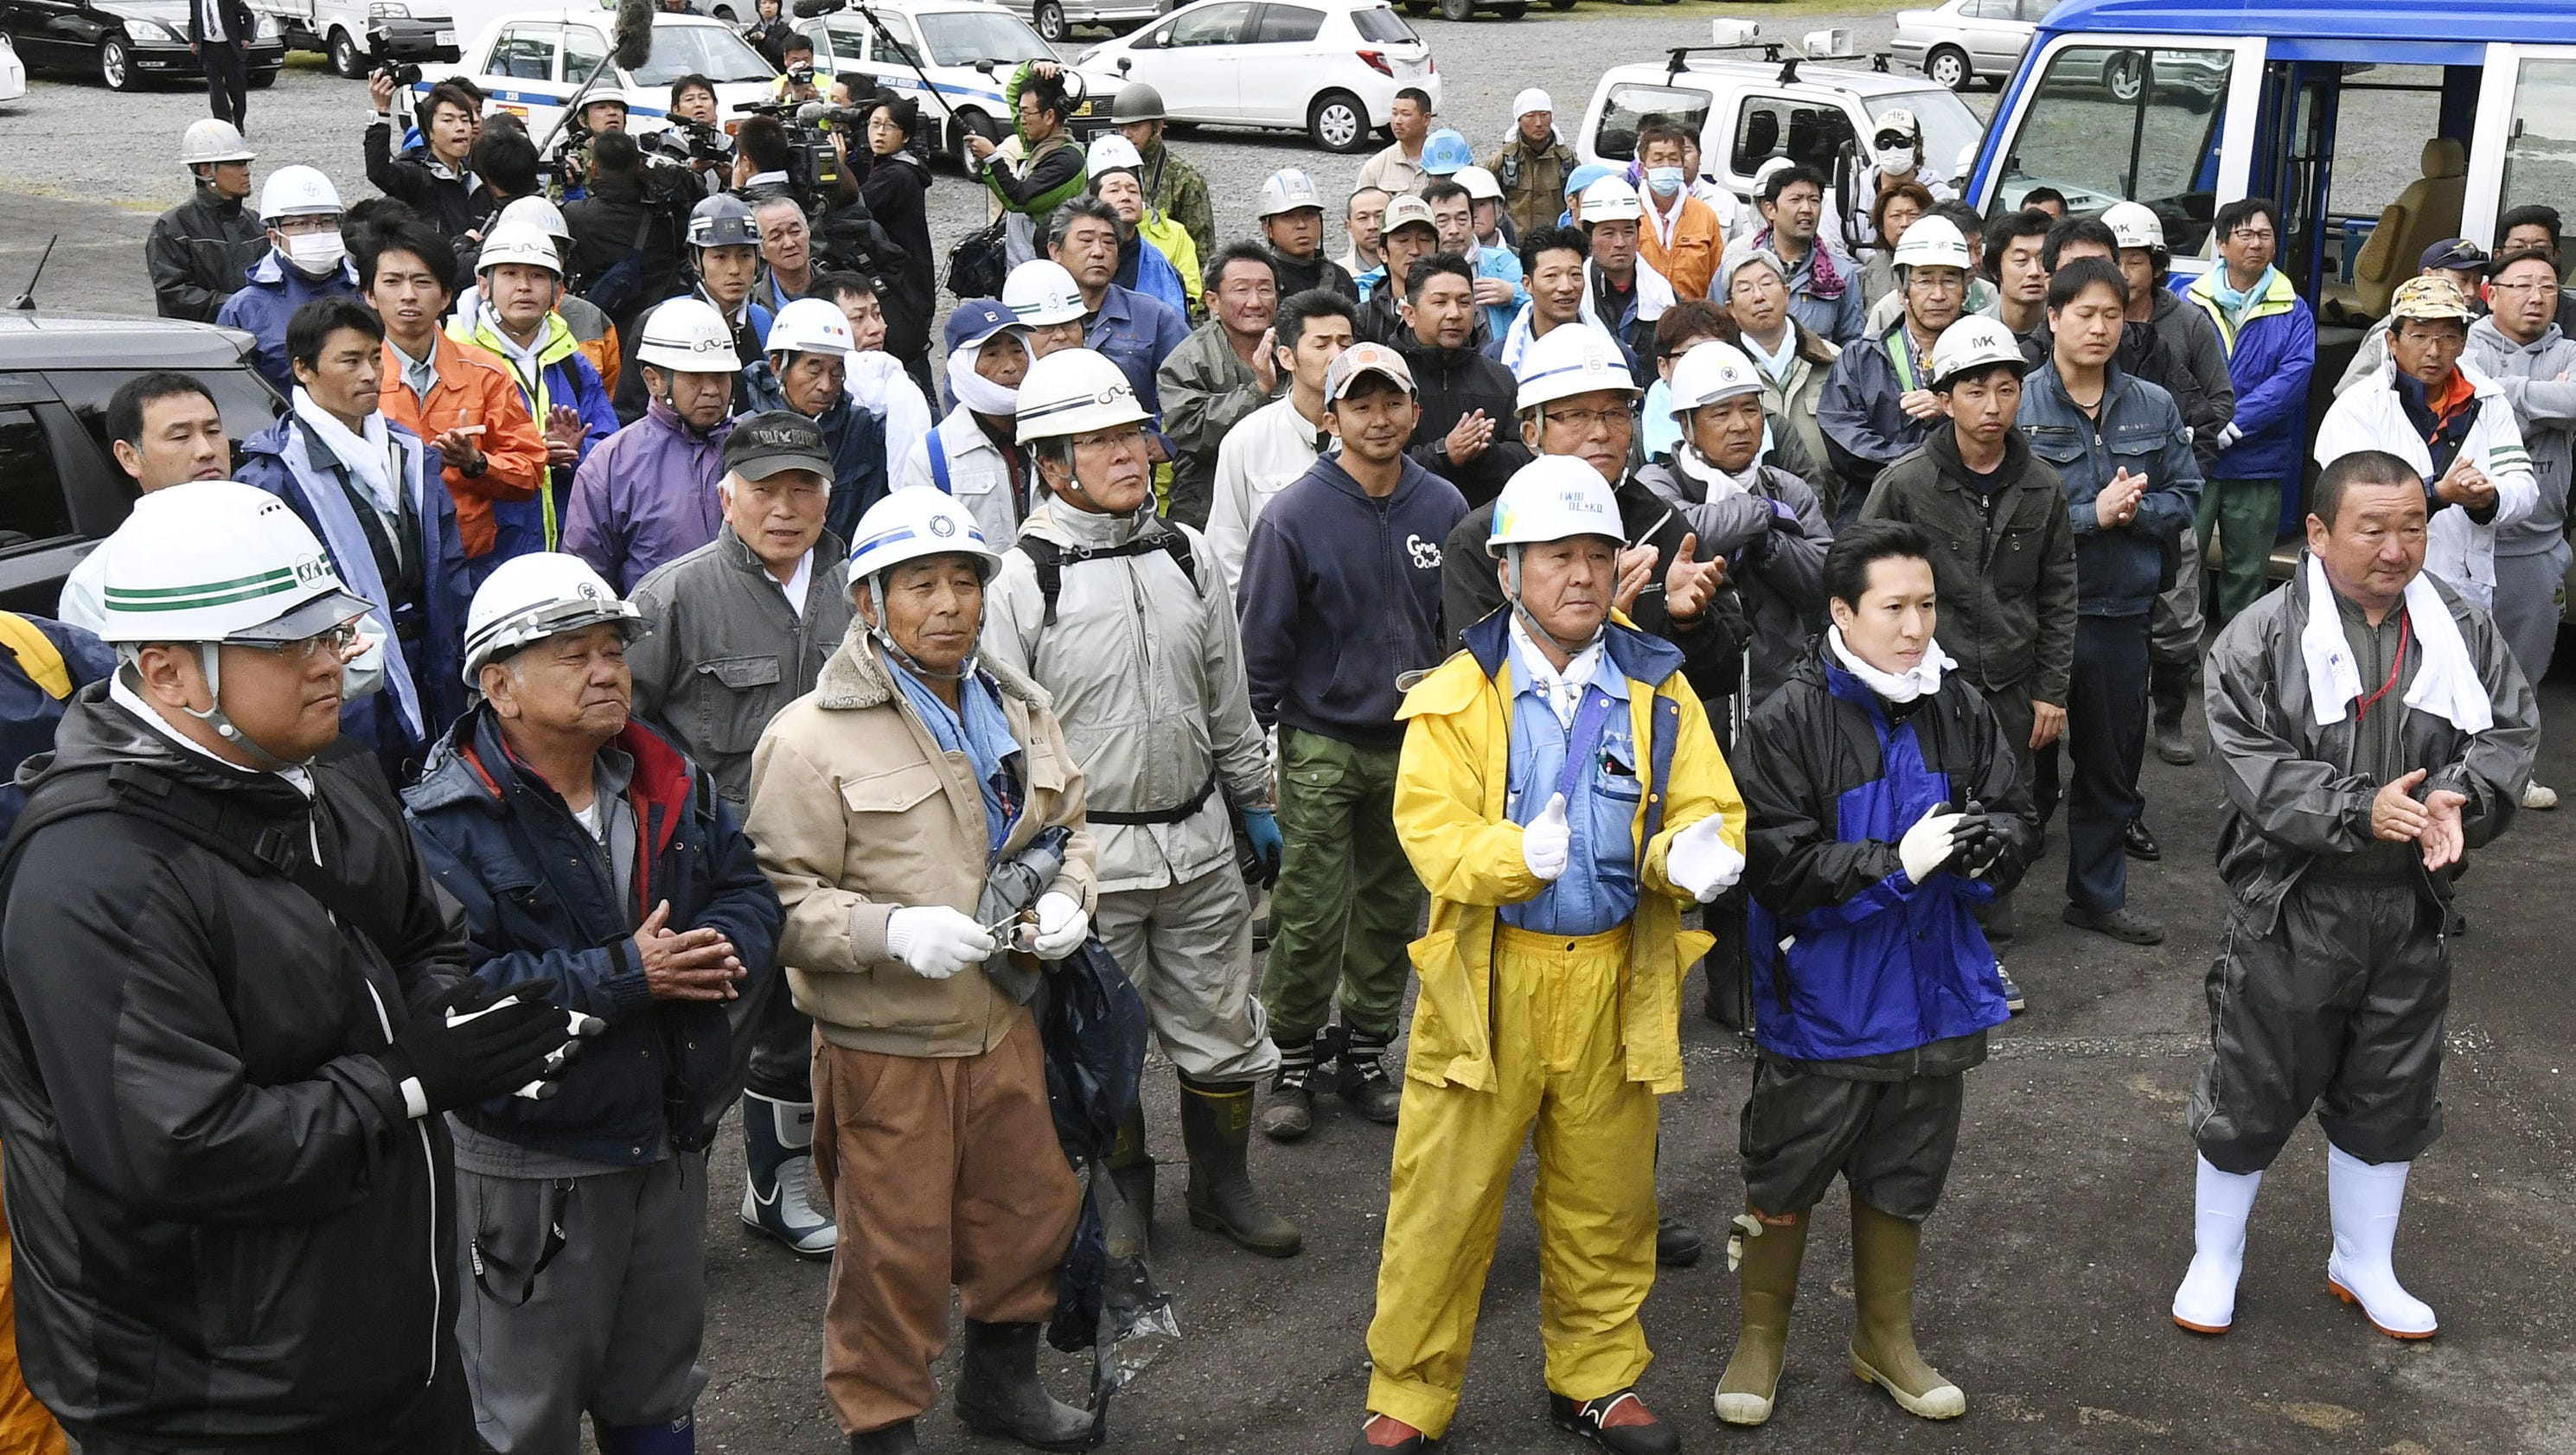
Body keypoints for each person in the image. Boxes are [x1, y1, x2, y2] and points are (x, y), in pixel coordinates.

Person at [0, 481, 574, 1454]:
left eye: (332, 629)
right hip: (214, 1397)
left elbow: (421, 938)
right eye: (286, 642)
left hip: (385, 1346)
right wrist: (410, 1080)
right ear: (168, 671)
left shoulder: (326, 771)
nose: (332, 661)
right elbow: (180, 1147)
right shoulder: (91, 874)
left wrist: (465, 1031)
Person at [1348, 457, 1745, 1455]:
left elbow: (1707, 803)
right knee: (1443, 1200)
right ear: (1507, 569)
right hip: (1489, 981)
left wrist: (1685, 854)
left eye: (1598, 556)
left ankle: (1597, 1380)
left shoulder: (1658, 685)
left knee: (1607, 1200)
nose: (1580, 575)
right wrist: (1509, 857)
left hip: (1616, 974)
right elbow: (1429, 827)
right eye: (1556, 556)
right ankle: (1409, 1394)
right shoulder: (1457, 693)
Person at [746, 485, 1097, 1454]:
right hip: (885, 1046)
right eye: (918, 585)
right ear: (868, 602)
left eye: (963, 582)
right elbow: (773, 902)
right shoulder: (807, 738)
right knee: (890, 1250)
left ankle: (1000, 1385)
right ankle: (881, 1425)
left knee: (1026, 1215)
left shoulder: (1017, 705)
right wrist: (889, 931)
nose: (948, 605)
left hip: (1004, 1019)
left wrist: (1072, 899)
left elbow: (1068, 828)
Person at [404, 552, 779, 1454]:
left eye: (612, 650)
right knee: (521, 1412)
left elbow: (748, 890)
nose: (607, 670)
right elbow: (453, 998)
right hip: (531, 1165)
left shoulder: (667, 776)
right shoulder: (440, 823)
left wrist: (711, 950)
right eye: (573, 655)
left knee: (657, 1389)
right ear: (499, 685)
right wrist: (628, 974)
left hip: (666, 1137)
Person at [2176, 450, 2535, 1343]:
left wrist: (2460, 798)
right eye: (2371, 528)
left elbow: (2507, 730)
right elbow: (2250, 765)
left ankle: (2362, 1261)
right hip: (2292, 901)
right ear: (2317, 532)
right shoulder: (2259, 636)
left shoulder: (2456, 622)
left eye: (2412, 526)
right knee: (2253, 1083)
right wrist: (2354, 808)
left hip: (2409, 903)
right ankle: (2215, 1256)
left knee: (2391, 1089)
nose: (2395, 548)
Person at [981, 348, 1299, 1260]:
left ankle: (1222, 1187)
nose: (1132, 454)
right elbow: (1006, 749)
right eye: (1102, 441)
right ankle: (1120, 1199)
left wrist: (1255, 799)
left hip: (1199, 843)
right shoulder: (1019, 580)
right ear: (1050, 464)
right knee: (1099, 1039)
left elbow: (1226, 697)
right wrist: (1027, 867)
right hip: (1090, 863)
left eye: (1133, 434)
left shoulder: (1186, 555)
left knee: (1222, 1022)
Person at [1718, 519, 2036, 1428]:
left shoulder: (1958, 703)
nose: (1914, 627)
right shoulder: (1787, 719)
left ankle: (1884, 1337)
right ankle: (1759, 1341)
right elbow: (1775, 867)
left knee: (1906, 1174)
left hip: (1933, 999)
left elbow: (2015, 810)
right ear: (1841, 611)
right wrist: (1895, 862)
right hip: (1826, 1004)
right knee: (1784, 1173)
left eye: (1926, 605)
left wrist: (1994, 848)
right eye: (1893, 607)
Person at [625, 413, 849, 1260]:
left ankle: (775, 1194)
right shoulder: (673, 597)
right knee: (702, 1046)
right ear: (727, 498)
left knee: (794, 1037)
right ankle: (655, 1224)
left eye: (802, 489)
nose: (783, 508)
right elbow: (621, 726)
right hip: (718, 873)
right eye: (764, 490)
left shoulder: (858, 588)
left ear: (827, 497)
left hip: (830, 865)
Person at [1239, 343, 1467, 1142]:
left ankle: (1366, 1051)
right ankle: (1291, 1058)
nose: (1378, 419)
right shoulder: (1292, 515)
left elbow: (1464, 630)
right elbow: (1261, 645)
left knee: (1391, 905)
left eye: (1392, 402)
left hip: (1415, 742)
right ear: (1330, 417)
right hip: (1320, 742)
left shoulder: (1443, 504)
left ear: (1414, 411)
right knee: (1306, 907)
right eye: (1360, 405)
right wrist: (1250, 772)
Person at [1858, 315, 2073, 964]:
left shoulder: (2042, 485)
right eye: (1975, 391)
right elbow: (1860, 583)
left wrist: (2051, 691)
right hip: (1920, 686)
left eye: (2006, 389)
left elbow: (2058, 591)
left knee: (2000, 818)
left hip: (2009, 685)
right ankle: (1910, 945)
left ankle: (1985, 953)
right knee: (1914, 810)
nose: (1992, 406)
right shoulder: (1904, 484)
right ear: (1945, 399)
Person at [2018, 258, 2202, 946]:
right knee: (2018, 765)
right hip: (2037, 618)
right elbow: (2010, 518)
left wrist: (2134, 512)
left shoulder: (2153, 404)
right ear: (2053, 318)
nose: (2099, 328)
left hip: (2121, 615)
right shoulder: (2020, 405)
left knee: (2109, 764)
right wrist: (2091, 515)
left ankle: (2096, 896)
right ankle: (1993, 904)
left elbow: (2185, 495)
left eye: (2112, 315)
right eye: (2084, 314)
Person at [236, 296, 472, 783]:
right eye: (350, 361)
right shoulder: (275, 476)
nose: (370, 374)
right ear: (303, 369)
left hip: (430, 658)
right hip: (346, 678)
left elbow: (450, 569)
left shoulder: (409, 453)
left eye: (374, 358)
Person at [2315, 275, 2534, 617]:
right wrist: (2437, 494)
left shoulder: (2489, 400)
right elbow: (2349, 504)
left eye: (2447, 337)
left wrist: (2489, 497)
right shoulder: (2359, 406)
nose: (2434, 351)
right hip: (2375, 584)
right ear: (2392, 341)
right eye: (2419, 336)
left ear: (2463, 343)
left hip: (2462, 589)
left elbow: (2524, 487)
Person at [1636, 339, 1831, 702]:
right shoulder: (1657, 482)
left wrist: (1768, 543)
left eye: (1750, 410)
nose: (1740, 425)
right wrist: (1762, 512)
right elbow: (1683, 529)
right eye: (1721, 414)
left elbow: (1825, 576)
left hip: (1784, 689)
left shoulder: (1784, 486)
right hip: (1693, 693)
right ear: (1687, 425)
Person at [361, 221, 547, 578]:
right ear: (370, 294)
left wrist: (475, 463)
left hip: (471, 563)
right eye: (392, 282)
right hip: (389, 568)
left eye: (422, 282)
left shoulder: (485, 372)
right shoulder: (356, 377)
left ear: (446, 296)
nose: (408, 295)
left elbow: (529, 472)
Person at [2467, 246, 2576, 809]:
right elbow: (2470, 404)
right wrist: (2542, 399)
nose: (2536, 297)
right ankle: (2450, 773)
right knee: (2456, 664)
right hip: (2472, 541)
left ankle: (2512, 776)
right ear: (2492, 294)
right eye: (2523, 285)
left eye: (2548, 287)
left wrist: (2504, 393)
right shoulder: (2466, 346)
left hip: (2537, 545)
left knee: (2523, 672)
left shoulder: (2571, 351)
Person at [2179, 197, 2317, 629]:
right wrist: (2206, 423)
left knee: (2247, 571)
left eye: (2264, 235)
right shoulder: (2188, 301)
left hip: (2257, 461)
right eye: (2244, 234)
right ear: (2221, 244)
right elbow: (2175, 369)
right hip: (2194, 458)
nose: (2255, 243)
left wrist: (2237, 422)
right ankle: (2181, 655)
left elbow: (2293, 378)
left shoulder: (2293, 309)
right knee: (2183, 565)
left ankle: (2242, 653)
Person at [449, 220, 621, 561]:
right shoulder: (458, 364)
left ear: (558, 291)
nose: (524, 286)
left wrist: (576, 452)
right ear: (484, 285)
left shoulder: (574, 365)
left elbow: (612, 451)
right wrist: (531, 456)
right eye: (510, 274)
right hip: (488, 560)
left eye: (538, 276)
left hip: (571, 553)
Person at [567, 297, 743, 591]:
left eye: (720, 376)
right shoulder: (612, 463)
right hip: (653, 620)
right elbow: (588, 577)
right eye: (695, 376)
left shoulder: (754, 447)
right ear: (654, 381)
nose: (712, 390)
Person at [1819, 215, 1974, 527]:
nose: (1938, 294)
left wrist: (1952, 410)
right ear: (1902, 291)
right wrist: (1929, 463)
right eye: (1925, 280)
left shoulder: (1986, 355)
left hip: (1962, 524)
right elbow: (1847, 447)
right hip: (1875, 524)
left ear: (1965, 288)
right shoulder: (1859, 359)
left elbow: (2004, 433)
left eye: (1950, 280)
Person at [59, 372, 234, 633]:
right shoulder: (97, 585)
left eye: (213, 431)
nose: (206, 450)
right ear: (129, 456)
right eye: (181, 437)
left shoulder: (279, 533)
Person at [1206, 287, 1355, 592]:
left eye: (1345, 344)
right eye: (1321, 345)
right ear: (1287, 357)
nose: (1337, 356)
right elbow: (1227, 549)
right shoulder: (1247, 439)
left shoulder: (1369, 434)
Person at [1160, 244, 1285, 529]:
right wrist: (1258, 391)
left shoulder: (1293, 349)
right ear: (1213, 301)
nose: (1255, 302)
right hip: (1208, 505)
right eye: (1241, 290)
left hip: (1286, 497)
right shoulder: (1187, 360)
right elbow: (1193, 432)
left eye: (1265, 290)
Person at [621, 194, 773, 420]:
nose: (734, 269)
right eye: (720, 257)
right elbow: (630, 414)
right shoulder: (661, 322)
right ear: (695, 260)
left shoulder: (762, 321)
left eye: (744, 255)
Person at [750, 298, 889, 545]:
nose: (826, 385)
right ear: (777, 366)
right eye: (814, 371)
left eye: (836, 372)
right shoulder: (746, 435)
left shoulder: (865, 430)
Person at [898, 301, 1038, 548]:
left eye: (1017, 351)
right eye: (992, 354)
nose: (1009, 366)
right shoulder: (933, 455)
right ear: (964, 365)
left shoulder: (1054, 431)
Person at [1396, 254, 1529, 508]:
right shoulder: (1389, 378)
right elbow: (1376, 461)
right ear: (1410, 314)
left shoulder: (1499, 379)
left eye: (1464, 302)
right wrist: (1444, 453)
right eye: (1440, 302)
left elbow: (1526, 456)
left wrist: (1484, 451)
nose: (1455, 314)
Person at [216, 164, 361, 397]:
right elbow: (232, 391)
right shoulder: (244, 308)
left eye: (327, 221)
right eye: (301, 223)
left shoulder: (365, 291)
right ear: (274, 236)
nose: (317, 232)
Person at [1721, 248, 1842, 507]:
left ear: (1787, 292)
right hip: (1753, 508)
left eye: (1767, 284)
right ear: (1730, 308)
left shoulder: (1833, 360)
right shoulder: (1723, 374)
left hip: (1834, 504)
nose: (1759, 296)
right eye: (1745, 289)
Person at [848, 91, 936, 383]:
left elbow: (853, 207)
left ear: (906, 136)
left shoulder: (897, 176)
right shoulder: (893, 166)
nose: (880, 132)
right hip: (908, 284)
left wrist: (839, 166)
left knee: (908, 366)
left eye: (890, 126)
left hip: (904, 288)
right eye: (875, 124)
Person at [2336, 239, 2493, 398]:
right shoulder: (2397, 328)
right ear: (2428, 276)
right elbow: (2348, 390)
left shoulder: (2475, 328)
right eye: (2463, 280)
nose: (2471, 292)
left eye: (2477, 283)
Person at [817, 271, 935, 482]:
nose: (875, 329)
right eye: (858, 318)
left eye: (877, 314)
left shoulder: (907, 388)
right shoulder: (820, 405)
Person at [970, 61, 1087, 268]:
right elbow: (1013, 92)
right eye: (1020, 112)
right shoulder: (1037, 142)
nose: (1021, 119)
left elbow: (1018, 199)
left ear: (1049, 116)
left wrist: (992, 158)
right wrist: (1033, 67)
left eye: (1026, 113)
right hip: (1018, 265)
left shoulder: (1067, 161)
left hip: (1044, 270)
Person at [150, 118, 266, 322]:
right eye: (236, 164)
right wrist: (239, 307)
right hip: (202, 339)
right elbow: (175, 296)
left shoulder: (258, 224)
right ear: (206, 171)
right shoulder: (173, 228)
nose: (246, 171)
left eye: (246, 163)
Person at [1740, 164, 1864, 348]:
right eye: (1795, 200)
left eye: (1814, 200)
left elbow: (1852, 343)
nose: (1807, 209)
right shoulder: (1739, 270)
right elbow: (1717, 334)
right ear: (1770, 209)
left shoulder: (1840, 274)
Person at [365, 76, 490, 244]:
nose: (460, 127)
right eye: (448, 120)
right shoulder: (418, 176)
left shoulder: (474, 177)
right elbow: (378, 172)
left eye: (465, 120)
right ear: (428, 131)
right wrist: (382, 112)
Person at [1085, 135, 1198, 322]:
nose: (1125, 197)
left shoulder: (1165, 254)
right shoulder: (1076, 251)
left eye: (1132, 190)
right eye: (1114, 190)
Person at [1574, 177, 1672, 387]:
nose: (1620, 243)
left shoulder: (1664, 296)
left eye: (1628, 231)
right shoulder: (1574, 295)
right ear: (1589, 236)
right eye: (1608, 233)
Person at [1113, 82, 1214, 260]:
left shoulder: (1185, 178)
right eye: (1121, 128)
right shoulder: (1110, 172)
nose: (1126, 135)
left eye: (1135, 127)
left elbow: (1203, 250)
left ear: (1158, 128)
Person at [1633, 113, 1723, 302]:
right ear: (1643, 169)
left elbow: (1717, 280)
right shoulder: (1629, 213)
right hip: (1641, 315)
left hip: (1693, 314)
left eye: (1673, 159)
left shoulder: (1705, 215)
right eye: (1658, 159)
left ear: (1682, 165)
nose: (1666, 165)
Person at [1850, 108, 1954, 254]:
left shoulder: (1940, 195)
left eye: (1901, 142)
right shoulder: (1853, 189)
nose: (1893, 149)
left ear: (1918, 145)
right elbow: (1832, 242)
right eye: (1884, 143)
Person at [1490, 225, 1588, 374]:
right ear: (1527, 284)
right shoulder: (1497, 359)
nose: (1566, 287)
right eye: (1551, 276)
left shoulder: (1612, 351)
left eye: (1575, 275)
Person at [1486, 87, 1576, 242]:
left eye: (1544, 115)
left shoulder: (1566, 159)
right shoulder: (1503, 160)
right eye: (1530, 116)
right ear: (1519, 120)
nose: (1538, 123)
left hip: (1555, 244)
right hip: (1515, 246)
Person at [1448, 168, 1528, 341]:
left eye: (1481, 204)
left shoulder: (1518, 258)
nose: (1474, 213)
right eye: (1468, 207)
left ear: (1500, 208)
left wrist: (1513, 293)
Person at [1357, 195, 1446, 346]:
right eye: (1403, 240)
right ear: (1383, 252)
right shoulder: (1363, 319)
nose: (1415, 250)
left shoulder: (1457, 312)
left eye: (1424, 240)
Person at [1259, 169, 1360, 301]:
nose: (1301, 225)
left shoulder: (1340, 278)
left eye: (1309, 214)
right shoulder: (1263, 280)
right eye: (1288, 216)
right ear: (1267, 228)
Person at [1857, 182, 1934, 313]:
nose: (1905, 223)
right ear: (1881, 225)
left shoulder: (1945, 262)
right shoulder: (1873, 270)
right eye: (1896, 216)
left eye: (1913, 215)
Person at [1980, 207, 2053, 343]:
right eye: (2021, 260)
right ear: (1994, 269)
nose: (2034, 271)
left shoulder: (2067, 330)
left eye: (2043, 260)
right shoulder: (1975, 330)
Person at [1352, 87, 1435, 199]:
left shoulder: (1445, 160)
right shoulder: (1376, 166)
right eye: (1395, 114)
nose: (1397, 121)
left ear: (1426, 119)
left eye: (1406, 114)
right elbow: (1360, 205)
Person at [185, 0, 252, 131]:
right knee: (215, 88)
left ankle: (239, 122)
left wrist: (246, 37)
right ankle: (224, 124)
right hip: (208, 49)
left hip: (230, 49)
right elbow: (194, 20)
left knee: (237, 89)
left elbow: (248, 15)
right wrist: (192, 40)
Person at [751, 195, 816, 315]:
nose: (789, 244)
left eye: (795, 232)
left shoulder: (841, 293)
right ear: (760, 249)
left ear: (808, 232)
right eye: (776, 237)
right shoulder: (750, 307)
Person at [1339, 186, 1388, 284]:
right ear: (1349, 226)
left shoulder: (1411, 269)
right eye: (1363, 218)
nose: (1373, 226)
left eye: (1379, 216)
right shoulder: (1338, 275)